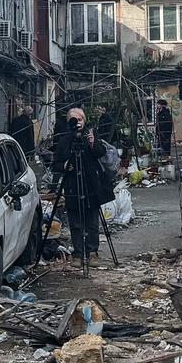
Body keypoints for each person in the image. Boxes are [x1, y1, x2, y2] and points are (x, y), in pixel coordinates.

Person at [51, 106, 114, 264]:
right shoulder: (65, 140)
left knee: (92, 221)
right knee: (76, 223)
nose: (78, 123)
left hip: (91, 184)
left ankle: (92, 252)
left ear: (85, 121)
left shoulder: (91, 135)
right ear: (69, 122)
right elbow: (56, 164)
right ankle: (78, 253)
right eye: (74, 120)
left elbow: (100, 153)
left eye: (80, 119)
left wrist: (93, 143)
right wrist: (65, 165)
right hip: (73, 186)